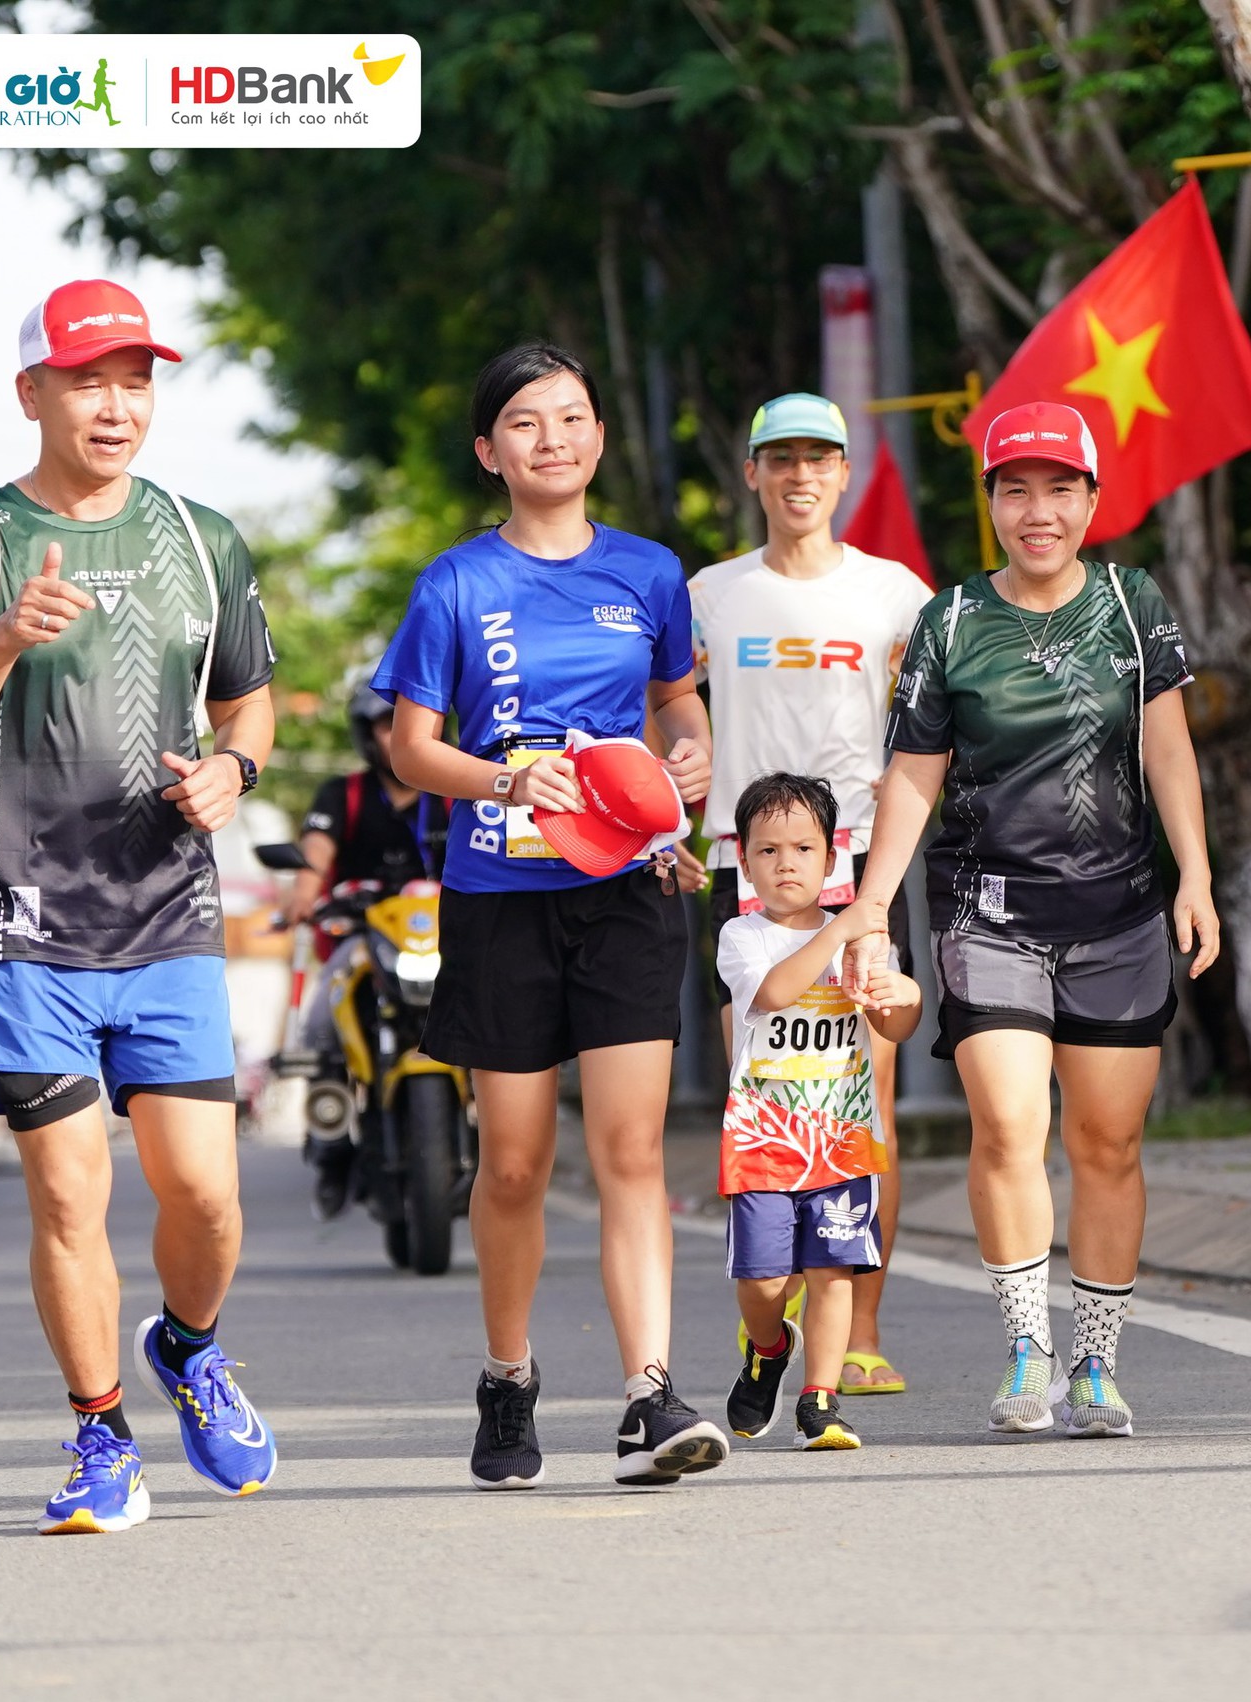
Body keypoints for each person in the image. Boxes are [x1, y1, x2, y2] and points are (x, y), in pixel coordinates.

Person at [0, 278, 281, 1534]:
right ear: (33, 393)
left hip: (167, 910)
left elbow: (248, 700)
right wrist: (6, 638)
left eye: (136, 379)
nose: (117, 404)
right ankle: (101, 1434)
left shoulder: (200, 536)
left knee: (205, 1197)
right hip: (23, 923)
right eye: (88, 379)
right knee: (69, 1196)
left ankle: (191, 1344)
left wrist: (238, 768)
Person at [372, 342, 727, 1491]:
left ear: (598, 436)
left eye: (571, 417)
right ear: (490, 451)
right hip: (499, 900)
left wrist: (693, 756)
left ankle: (651, 1390)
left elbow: (677, 699)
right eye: (526, 423)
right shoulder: (456, 584)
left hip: (626, 889)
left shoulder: (650, 572)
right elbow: (412, 749)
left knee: (631, 1149)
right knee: (515, 1164)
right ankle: (510, 1375)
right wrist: (504, 779)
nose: (553, 438)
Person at [839, 401, 1219, 1439]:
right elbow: (913, 773)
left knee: (1108, 1140)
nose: (1036, 510)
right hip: (986, 911)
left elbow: (1170, 751)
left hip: (1121, 911)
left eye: (1059, 488)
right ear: (992, 503)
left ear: (1092, 499)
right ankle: (1025, 1345)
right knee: (1009, 1123)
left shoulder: (1135, 604)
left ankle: (1094, 1363)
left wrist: (1195, 875)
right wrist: (871, 904)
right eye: (1015, 489)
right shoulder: (951, 622)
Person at [690, 391, 935, 1397]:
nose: (799, 476)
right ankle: (772, 1299)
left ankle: (861, 1325)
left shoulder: (895, 593)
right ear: (752, 474)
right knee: (763, 1093)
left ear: (844, 474)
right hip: (738, 875)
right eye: (779, 458)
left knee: (864, 1104)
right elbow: (669, 715)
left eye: (819, 459)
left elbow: (932, 727)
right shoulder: (707, 592)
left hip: (859, 873)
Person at [716, 773, 923, 1451]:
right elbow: (775, 992)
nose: (786, 864)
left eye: (803, 849)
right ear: (744, 861)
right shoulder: (742, 937)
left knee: (832, 1273)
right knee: (765, 1281)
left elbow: (894, 1028)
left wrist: (903, 991)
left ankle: (820, 1400)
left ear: (831, 859)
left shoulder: (857, 937)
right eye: (768, 850)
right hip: (763, 1141)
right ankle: (770, 1348)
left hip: (840, 1139)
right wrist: (841, 934)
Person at [286, 684, 450, 1218]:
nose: (397, 732)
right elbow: (315, 853)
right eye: (385, 724)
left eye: (410, 719)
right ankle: (330, 1142)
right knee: (319, 1026)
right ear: (367, 735)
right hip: (363, 937)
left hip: (445, 937)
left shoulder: (455, 790)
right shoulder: (344, 795)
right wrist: (304, 896)